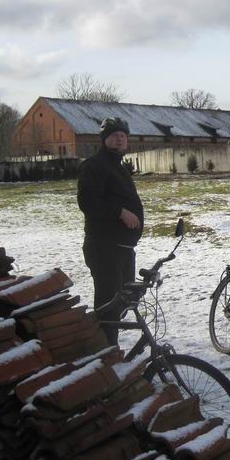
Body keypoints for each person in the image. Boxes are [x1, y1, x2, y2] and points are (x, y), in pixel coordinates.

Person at [77, 117, 143, 344]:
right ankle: (107, 355)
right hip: (105, 247)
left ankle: (108, 349)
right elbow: (88, 202)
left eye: (123, 136)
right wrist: (120, 212)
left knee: (124, 301)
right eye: (114, 136)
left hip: (123, 248)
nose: (119, 140)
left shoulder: (117, 166)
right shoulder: (94, 165)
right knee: (108, 307)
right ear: (105, 139)